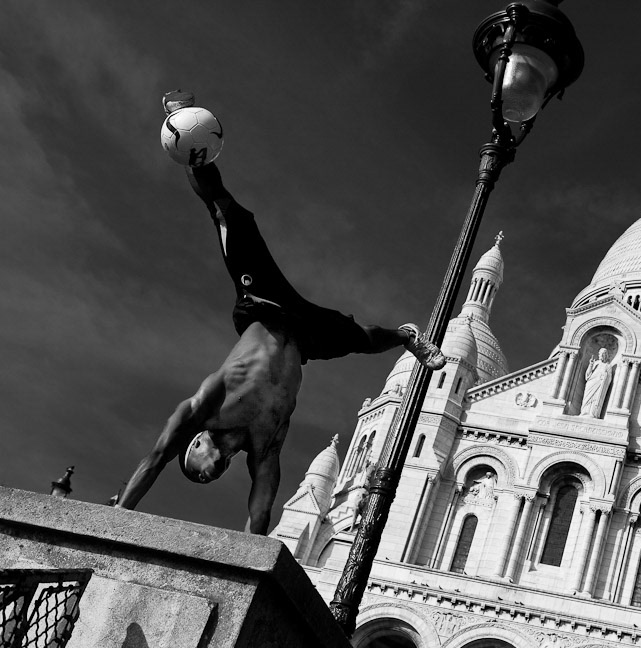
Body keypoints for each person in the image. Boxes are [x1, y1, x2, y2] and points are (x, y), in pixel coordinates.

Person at [116, 91, 445, 534]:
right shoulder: (262, 439)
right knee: (362, 339)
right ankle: (406, 337)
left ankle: (192, 149)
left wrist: (119, 515)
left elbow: (155, 459)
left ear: (194, 442)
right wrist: (252, 550)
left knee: (230, 217)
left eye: (197, 466)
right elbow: (262, 501)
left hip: (266, 307)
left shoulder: (206, 407)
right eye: (212, 475)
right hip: (305, 337)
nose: (208, 472)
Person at [580, 347, 613, 417]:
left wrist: (605, 376)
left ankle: (593, 414)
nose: (601, 356)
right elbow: (587, 375)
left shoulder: (608, 366)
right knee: (587, 398)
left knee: (595, 400)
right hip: (591, 383)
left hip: (600, 385)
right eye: (600, 354)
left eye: (603, 354)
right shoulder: (595, 363)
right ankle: (584, 412)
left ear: (606, 355)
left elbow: (609, 379)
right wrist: (591, 365)